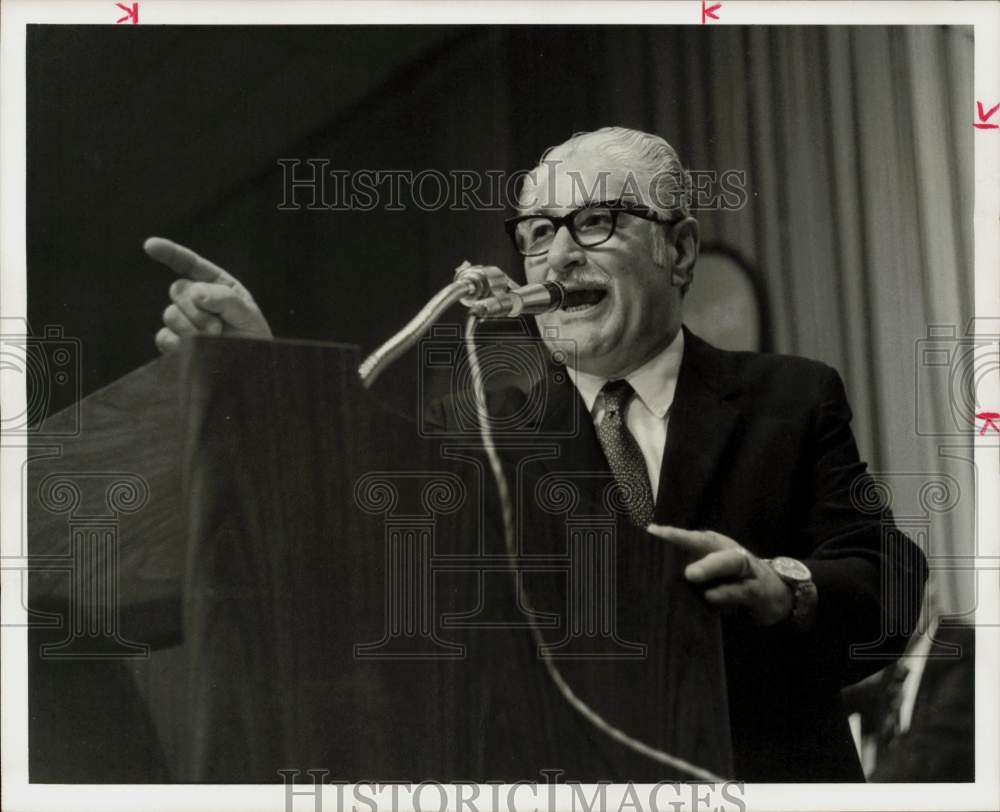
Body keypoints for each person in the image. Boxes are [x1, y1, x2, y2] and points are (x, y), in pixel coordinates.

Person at [148, 126, 928, 781]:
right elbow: (340, 562)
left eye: (594, 222)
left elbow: (889, 585)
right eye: (539, 234)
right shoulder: (476, 430)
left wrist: (780, 587)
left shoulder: (791, 400)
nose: (557, 261)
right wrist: (265, 378)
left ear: (680, 249)